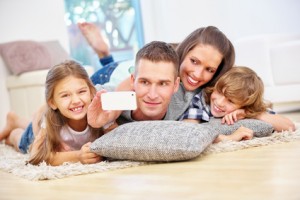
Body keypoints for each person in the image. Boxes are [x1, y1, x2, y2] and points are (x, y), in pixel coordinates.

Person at [0, 60, 104, 166]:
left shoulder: (100, 114)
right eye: (65, 95)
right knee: (22, 143)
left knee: (34, 123)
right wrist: (78, 156)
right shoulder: (49, 123)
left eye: (81, 91)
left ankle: (16, 120)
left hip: (45, 119)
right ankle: (14, 129)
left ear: (91, 92)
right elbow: (40, 156)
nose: (76, 100)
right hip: (38, 130)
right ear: (52, 103)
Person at [180, 66, 296, 142]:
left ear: (245, 104)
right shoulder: (202, 99)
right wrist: (228, 138)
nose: (219, 102)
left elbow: (289, 126)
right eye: (219, 92)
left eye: (230, 101)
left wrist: (250, 113)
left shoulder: (246, 108)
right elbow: (188, 132)